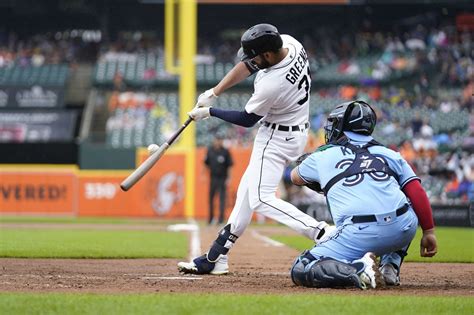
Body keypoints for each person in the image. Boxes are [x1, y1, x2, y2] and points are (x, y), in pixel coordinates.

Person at [177, 23, 332, 275]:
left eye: (256, 56)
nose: (251, 61)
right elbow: (248, 65)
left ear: (268, 55)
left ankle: (322, 232)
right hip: (294, 130)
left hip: (275, 136)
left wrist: (210, 112)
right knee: (247, 195)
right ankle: (217, 256)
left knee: (260, 198)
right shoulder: (290, 42)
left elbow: (247, 119)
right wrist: (215, 91)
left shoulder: (272, 82)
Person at [289, 100, 438, 289]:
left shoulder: (322, 156)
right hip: (403, 229)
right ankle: (390, 266)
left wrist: (322, 174)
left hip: (358, 233)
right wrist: (429, 231)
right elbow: (416, 191)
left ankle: (358, 269)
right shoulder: (390, 154)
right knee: (403, 199)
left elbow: (295, 177)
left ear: (341, 126)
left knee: (301, 267)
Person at [205, 135, 233, 225]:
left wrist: (229, 178)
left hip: (222, 178)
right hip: (213, 177)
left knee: (222, 199)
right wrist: (204, 175)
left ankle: (221, 219)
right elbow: (206, 163)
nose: (218, 142)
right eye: (217, 140)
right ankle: (210, 219)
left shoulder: (225, 152)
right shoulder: (210, 150)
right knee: (211, 199)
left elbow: (229, 166)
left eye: (219, 140)